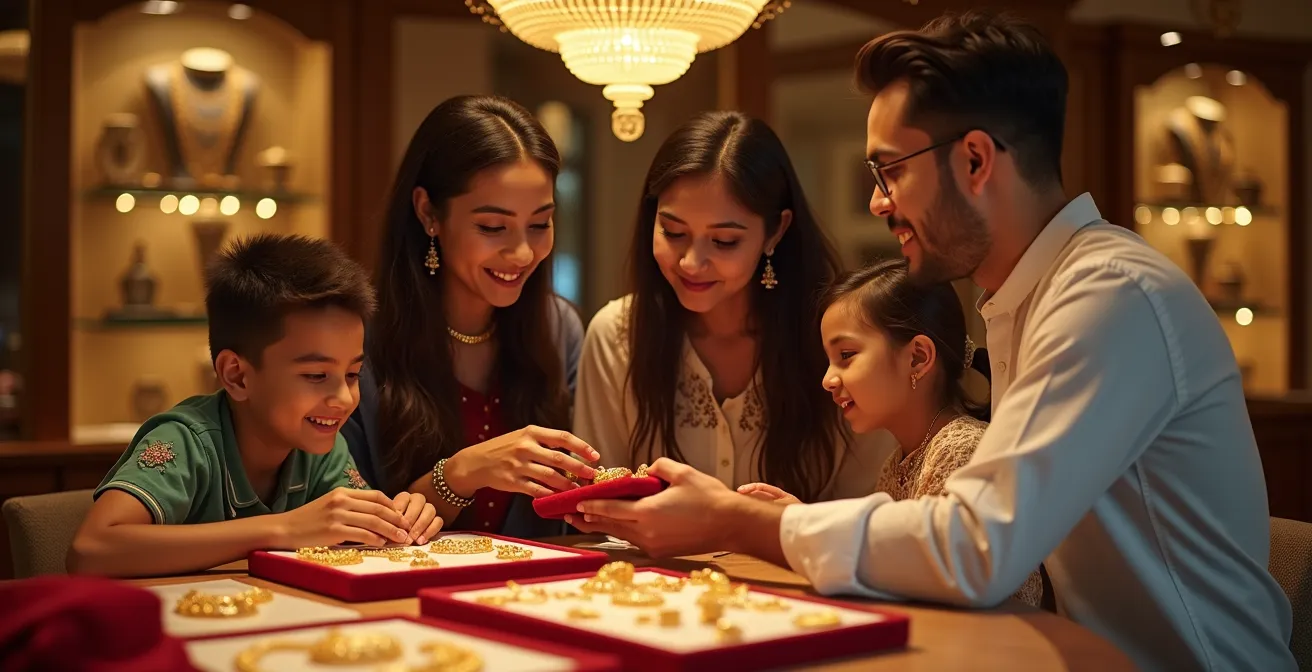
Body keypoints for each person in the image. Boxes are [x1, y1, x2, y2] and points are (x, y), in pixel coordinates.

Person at [568, 11, 1296, 671]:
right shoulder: (1025, 298)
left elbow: (976, 546)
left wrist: (739, 520)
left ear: (975, 160)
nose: (878, 201)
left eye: (890, 171)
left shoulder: (1108, 295)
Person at [68, 234, 440, 578]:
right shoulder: (187, 441)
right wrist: (283, 529)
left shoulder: (322, 449)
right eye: (316, 375)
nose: (344, 399)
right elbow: (91, 550)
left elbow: (352, 531)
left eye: (353, 374)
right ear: (237, 376)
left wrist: (393, 519)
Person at [573, 110, 894, 506]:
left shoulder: (841, 339)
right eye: (673, 232)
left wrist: (785, 524)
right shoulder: (618, 336)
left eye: (724, 241)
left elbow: (876, 512)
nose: (692, 262)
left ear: (776, 231)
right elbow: (598, 503)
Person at [343, 95, 598, 540]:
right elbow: (344, 526)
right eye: (493, 227)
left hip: (539, 579)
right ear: (428, 213)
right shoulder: (354, 340)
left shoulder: (559, 330)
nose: (522, 253)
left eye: (540, 224)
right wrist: (460, 473)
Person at [738, 258, 1044, 608]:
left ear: (917, 358)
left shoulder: (961, 450)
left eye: (846, 355)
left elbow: (942, 584)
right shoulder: (896, 463)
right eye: (829, 360)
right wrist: (801, 519)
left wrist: (804, 524)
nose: (827, 380)